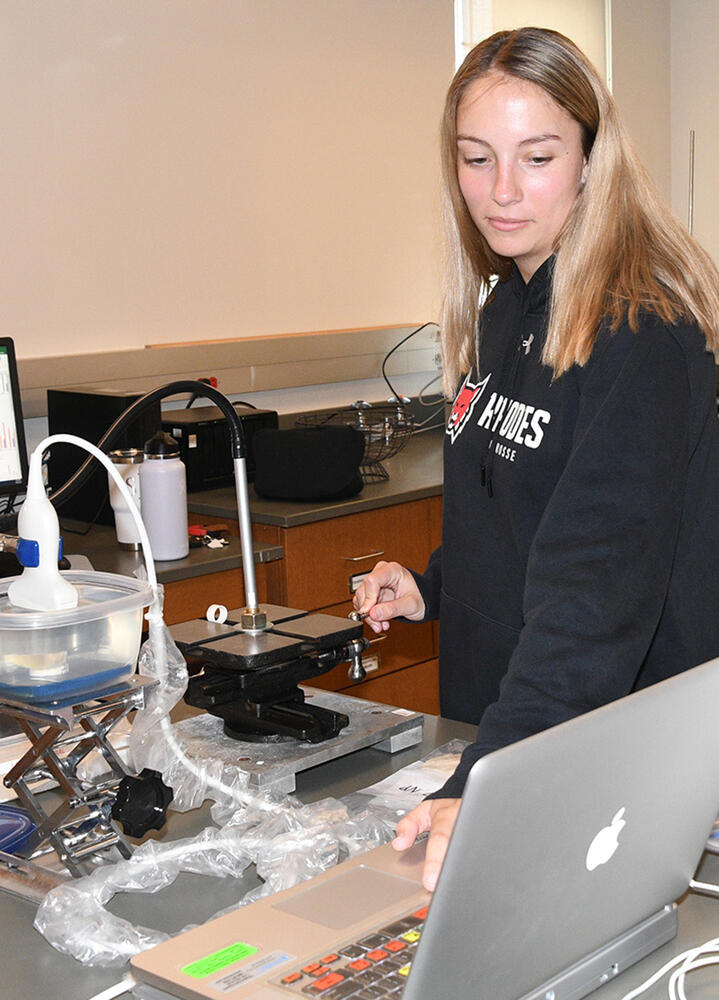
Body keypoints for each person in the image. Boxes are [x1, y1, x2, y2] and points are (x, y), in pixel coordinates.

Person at [353, 26, 719, 892]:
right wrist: (435, 585)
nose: (501, 191)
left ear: (592, 158)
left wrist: (489, 776)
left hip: (607, 746)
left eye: (537, 156)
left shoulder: (640, 330)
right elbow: (523, 500)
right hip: (514, 720)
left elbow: (596, 583)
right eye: (475, 159)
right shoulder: (505, 307)